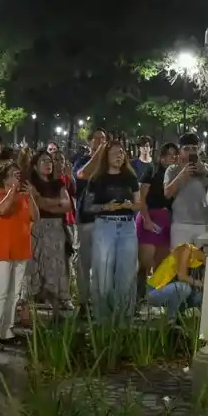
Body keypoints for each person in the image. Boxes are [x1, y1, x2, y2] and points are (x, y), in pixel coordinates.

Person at [83, 139, 141, 319]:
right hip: (105, 225)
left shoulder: (131, 177)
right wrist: (106, 207)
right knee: (103, 275)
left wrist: (131, 205)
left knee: (126, 275)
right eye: (115, 153)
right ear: (106, 156)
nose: (119, 156)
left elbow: (139, 204)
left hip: (127, 227)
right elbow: (88, 206)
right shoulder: (97, 178)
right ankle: (103, 320)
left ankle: (124, 319)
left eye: (122, 153)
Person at [0, 161, 39, 350]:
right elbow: (1, 209)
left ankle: (7, 331)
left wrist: (30, 196)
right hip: (2, 248)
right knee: (1, 291)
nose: (18, 176)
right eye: (14, 174)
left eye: (19, 174)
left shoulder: (24, 196)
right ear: (5, 177)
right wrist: (11, 192)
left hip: (21, 248)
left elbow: (36, 217)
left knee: (14, 293)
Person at [24, 150, 72, 314]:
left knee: (56, 263)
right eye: (44, 161)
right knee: (36, 262)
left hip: (56, 227)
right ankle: (36, 298)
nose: (48, 164)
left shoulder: (58, 184)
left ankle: (60, 298)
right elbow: (38, 207)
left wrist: (43, 200)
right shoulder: (31, 184)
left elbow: (67, 205)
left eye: (50, 161)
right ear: (35, 166)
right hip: (37, 225)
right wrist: (54, 203)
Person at [73, 127, 108, 305]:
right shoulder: (82, 161)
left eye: (103, 139)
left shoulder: (110, 164)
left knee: (103, 263)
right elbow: (83, 175)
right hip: (87, 218)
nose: (100, 141)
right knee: (85, 262)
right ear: (89, 142)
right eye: (96, 138)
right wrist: (100, 154)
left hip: (107, 220)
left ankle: (99, 300)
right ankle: (83, 300)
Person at [136, 142, 177, 283]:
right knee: (146, 261)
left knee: (161, 265)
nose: (172, 157)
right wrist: (146, 219)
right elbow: (141, 197)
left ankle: (156, 298)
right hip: (150, 218)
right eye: (169, 154)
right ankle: (139, 297)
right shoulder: (152, 170)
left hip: (167, 221)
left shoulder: (177, 174)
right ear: (161, 157)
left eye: (175, 154)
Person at [163, 133, 208, 247]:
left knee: (202, 263)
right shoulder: (172, 169)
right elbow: (167, 193)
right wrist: (182, 175)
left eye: (194, 148)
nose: (191, 152)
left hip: (204, 225)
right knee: (179, 261)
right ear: (180, 150)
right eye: (186, 149)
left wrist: (204, 172)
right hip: (181, 225)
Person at [145, 243, 205, 321]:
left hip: (173, 293)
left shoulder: (201, 263)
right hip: (155, 291)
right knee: (183, 288)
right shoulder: (186, 249)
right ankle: (171, 319)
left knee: (202, 296)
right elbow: (181, 276)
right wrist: (201, 284)